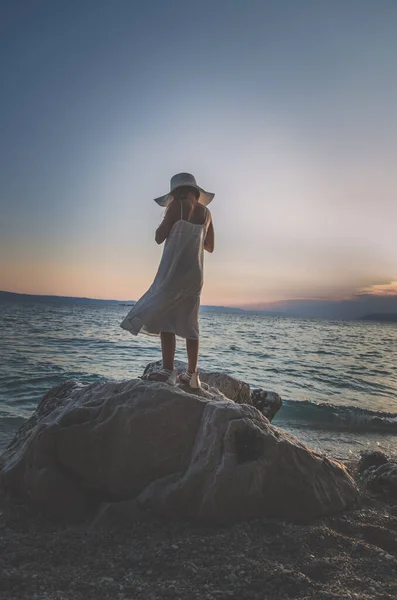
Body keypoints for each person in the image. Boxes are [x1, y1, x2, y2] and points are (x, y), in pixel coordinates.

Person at [120, 173, 215, 388]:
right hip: (194, 275)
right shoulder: (207, 213)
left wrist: (170, 224)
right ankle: (192, 376)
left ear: (176, 192)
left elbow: (158, 237)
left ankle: (168, 371)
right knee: (191, 323)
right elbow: (209, 246)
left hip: (172, 271)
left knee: (166, 319)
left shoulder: (175, 207)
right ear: (195, 191)